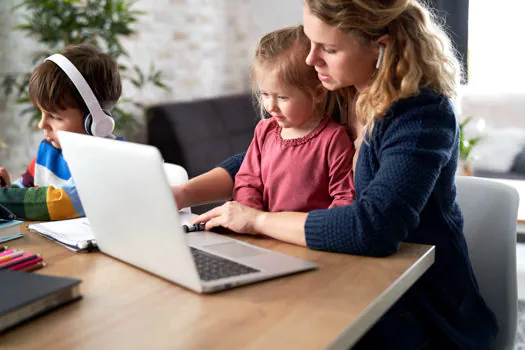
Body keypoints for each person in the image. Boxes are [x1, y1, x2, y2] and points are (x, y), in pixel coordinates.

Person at [172, 0, 498, 348]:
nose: (312, 60)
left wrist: (257, 220)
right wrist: (179, 194)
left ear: (380, 45)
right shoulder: (340, 92)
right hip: (342, 276)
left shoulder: (421, 114)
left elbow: (373, 227)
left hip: (419, 307)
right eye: (310, 42)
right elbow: (267, 157)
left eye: (328, 48)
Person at [234, 25, 355, 213]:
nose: (270, 106)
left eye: (282, 97)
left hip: (304, 238)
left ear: (317, 93)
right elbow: (247, 182)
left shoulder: (333, 139)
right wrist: (252, 219)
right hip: (263, 236)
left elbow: (345, 197)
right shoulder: (264, 131)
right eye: (265, 94)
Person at [0, 43, 122, 221]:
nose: (42, 124)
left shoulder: (111, 158)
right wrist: (7, 189)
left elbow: (61, 202)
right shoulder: (48, 151)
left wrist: (4, 198)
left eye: (54, 116)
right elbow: (26, 192)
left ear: (95, 120)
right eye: (41, 113)